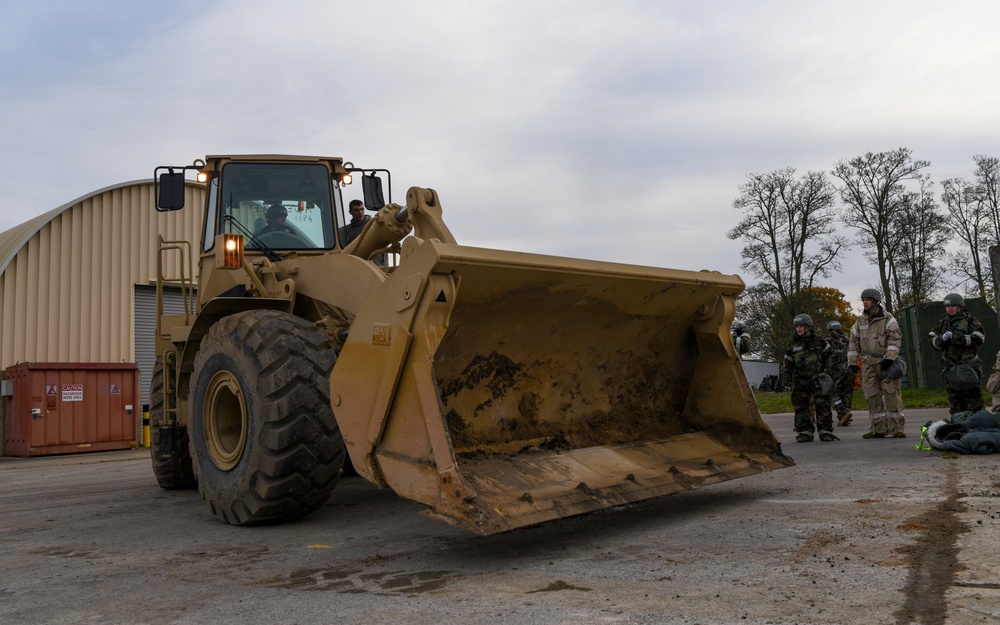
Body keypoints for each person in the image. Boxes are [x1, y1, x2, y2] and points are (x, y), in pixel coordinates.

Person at [847, 288, 905, 438]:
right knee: (872, 396)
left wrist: (889, 358)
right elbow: (853, 342)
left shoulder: (887, 318)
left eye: (867, 299)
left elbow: (895, 338)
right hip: (867, 364)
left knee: (892, 394)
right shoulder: (860, 321)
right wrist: (852, 362)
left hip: (885, 363)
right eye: (863, 300)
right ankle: (878, 429)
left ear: (875, 301)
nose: (865, 302)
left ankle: (897, 428)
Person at [781, 313, 837, 443]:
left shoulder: (819, 341)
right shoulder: (792, 344)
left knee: (822, 405)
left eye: (801, 326)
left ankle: (825, 431)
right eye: (797, 326)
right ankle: (804, 432)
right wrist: (786, 378)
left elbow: (830, 356)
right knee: (801, 406)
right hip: (800, 379)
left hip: (818, 378)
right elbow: (787, 362)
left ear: (808, 327)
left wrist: (829, 374)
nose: (799, 329)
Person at [929, 293, 986, 415]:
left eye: (953, 306)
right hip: (950, 369)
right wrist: (941, 339)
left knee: (975, 404)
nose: (950, 308)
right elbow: (933, 342)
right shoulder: (942, 323)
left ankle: (978, 429)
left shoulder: (971, 321)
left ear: (960, 306)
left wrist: (956, 337)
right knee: (956, 405)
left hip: (968, 368)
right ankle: (959, 428)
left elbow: (979, 339)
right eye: (947, 306)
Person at [825, 320, 854, 426]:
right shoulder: (848, 341)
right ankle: (846, 414)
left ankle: (842, 412)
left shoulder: (827, 342)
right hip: (850, 370)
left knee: (832, 393)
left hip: (835, 371)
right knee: (847, 393)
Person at [339, 199, 385, 265]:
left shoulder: (375, 224)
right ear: (350, 212)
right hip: (357, 267)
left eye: (362, 209)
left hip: (378, 266)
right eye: (356, 210)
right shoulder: (345, 231)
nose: (360, 212)